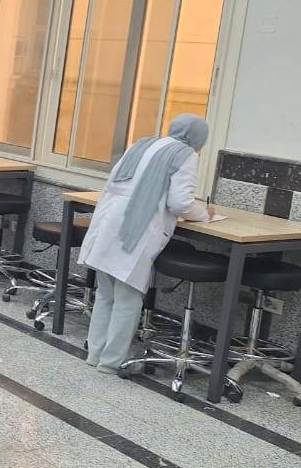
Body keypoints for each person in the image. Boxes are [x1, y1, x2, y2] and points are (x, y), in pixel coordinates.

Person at [80, 114, 214, 375]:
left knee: (106, 294)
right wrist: (205, 214)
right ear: (198, 138)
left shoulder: (141, 144)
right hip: (136, 230)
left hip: (108, 223)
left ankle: (95, 354)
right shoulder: (185, 154)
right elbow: (180, 203)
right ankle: (112, 362)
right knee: (127, 299)